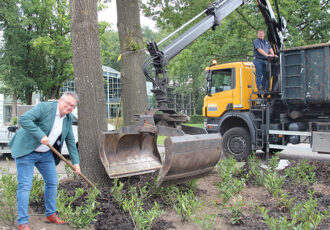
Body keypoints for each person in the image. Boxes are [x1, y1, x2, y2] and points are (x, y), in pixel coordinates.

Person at [9, 92, 81, 230]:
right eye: (68, 104)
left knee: (52, 182)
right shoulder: (44, 107)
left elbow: (70, 140)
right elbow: (24, 119)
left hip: (45, 154)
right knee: (25, 185)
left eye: (73, 106)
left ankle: (50, 214)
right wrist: (40, 135)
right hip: (27, 151)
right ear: (61, 100)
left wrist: (75, 163)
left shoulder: (68, 118)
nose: (70, 108)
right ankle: (23, 222)